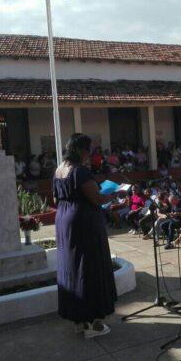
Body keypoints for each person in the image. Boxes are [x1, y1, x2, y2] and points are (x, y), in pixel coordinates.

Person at [53, 133, 122, 339]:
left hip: (65, 219)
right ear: (80, 150)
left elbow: (56, 197)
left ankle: (79, 320)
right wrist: (116, 194)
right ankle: (93, 323)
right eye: (88, 150)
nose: (89, 154)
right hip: (83, 223)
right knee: (89, 268)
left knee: (73, 267)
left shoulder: (59, 169)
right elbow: (97, 197)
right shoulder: (80, 172)